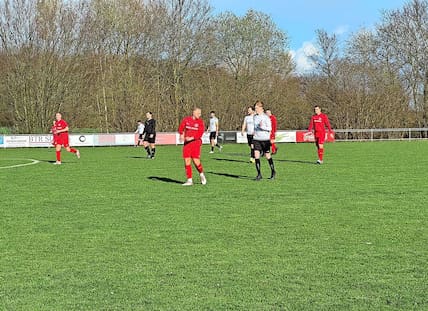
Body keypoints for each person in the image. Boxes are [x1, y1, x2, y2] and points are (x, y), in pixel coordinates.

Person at [178, 107, 207, 186]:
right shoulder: (186, 120)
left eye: (200, 113)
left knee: (196, 161)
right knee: (187, 161)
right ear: (193, 112)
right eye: (198, 113)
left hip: (196, 143)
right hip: (187, 144)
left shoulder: (200, 122)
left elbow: (200, 133)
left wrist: (192, 138)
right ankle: (189, 180)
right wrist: (181, 135)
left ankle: (201, 174)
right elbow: (181, 128)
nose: (199, 115)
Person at [253, 101, 276, 180]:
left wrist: (262, 127)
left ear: (261, 108)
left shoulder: (266, 117)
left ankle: (273, 171)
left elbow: (269, 129)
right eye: (255, 108)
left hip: (265, 139)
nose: (255, 109)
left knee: (267, 156)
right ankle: (259, 174)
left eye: (256, 108)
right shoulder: (255, 117)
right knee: (256, 155)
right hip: (256, 139)